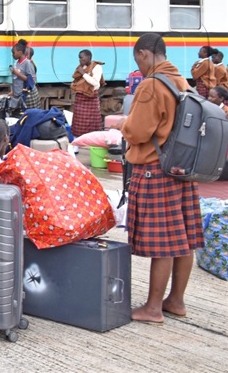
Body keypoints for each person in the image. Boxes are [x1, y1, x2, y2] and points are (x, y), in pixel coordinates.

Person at [121, 33, 204, 323]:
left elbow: (137, 132)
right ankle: (176, 301)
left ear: (144, 54)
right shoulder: (181, 81)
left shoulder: (152, 85)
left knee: (164, 242)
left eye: (138, 60)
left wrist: (123, 125)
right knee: (184, 239)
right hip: (182, 168)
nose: (139, 67)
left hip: (156, 169)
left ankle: (153, 308)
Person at [70, 50, 105, 137]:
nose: (80, 60)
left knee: (92, 123)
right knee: (78, 123)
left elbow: (95, 83)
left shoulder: (97, 67)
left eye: (82, 58)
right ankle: (78, 142)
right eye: (79, 58)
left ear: (88, 57)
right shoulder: (82, 67)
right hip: (80, 98)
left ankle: (92, 141)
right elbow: (75, 78)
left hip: (91, 97)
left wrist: (83, 73)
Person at [10, 39, 40, 109]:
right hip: (19, 95)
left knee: (28, 113)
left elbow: (31, 80)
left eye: (13, 53)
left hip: (27, 96)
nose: (12, 55)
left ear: (20, 52)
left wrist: (17, 73)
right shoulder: (17, 63)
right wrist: (13, 91)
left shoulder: (27, 63)